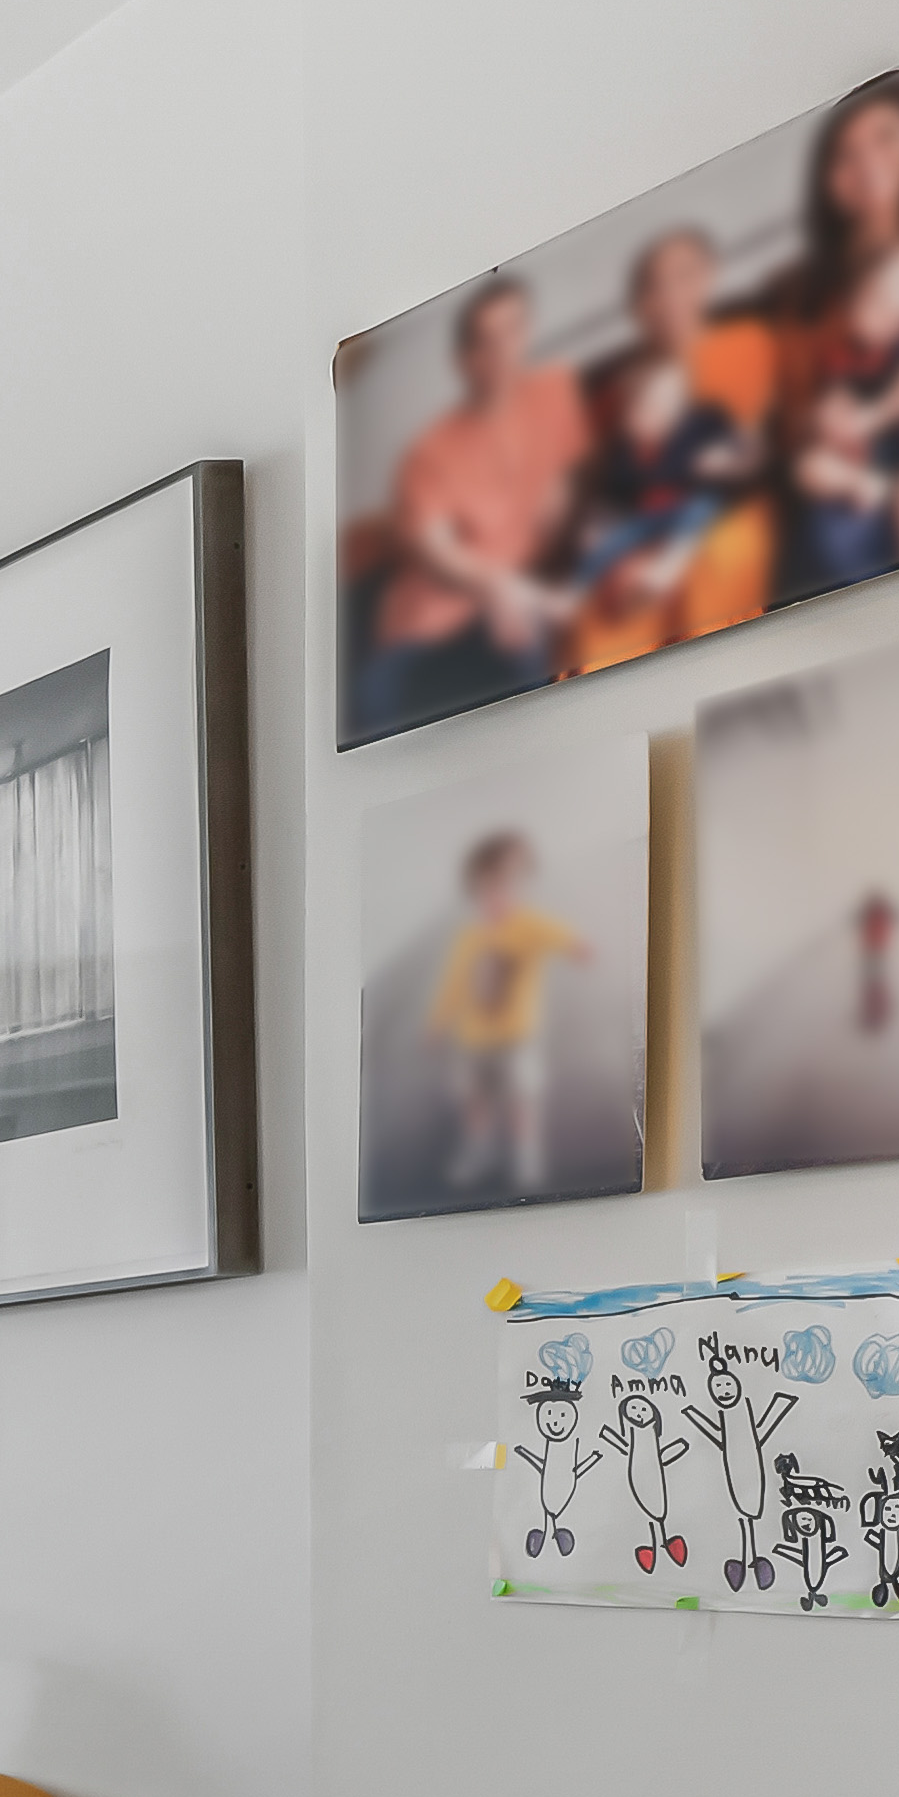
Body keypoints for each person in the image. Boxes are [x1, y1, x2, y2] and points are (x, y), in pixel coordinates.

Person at [357, 273, 586, 736]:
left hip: (519, 600)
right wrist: (501, 588)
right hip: (431, 628)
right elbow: (437, 551)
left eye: (513, 331)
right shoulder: (429, 453)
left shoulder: (553, 392)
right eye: (486, 341)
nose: (502, 352)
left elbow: (562, 490)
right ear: (464, 359)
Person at [561, 223, 781, 675]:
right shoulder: (615, 390)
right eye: (653, 286)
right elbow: (607, 483)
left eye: (683, 276)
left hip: (719, 509)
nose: (668, 296)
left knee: (717, 550)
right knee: (605, 591)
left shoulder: (748, 345)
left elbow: (755, 451)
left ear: (708, 278)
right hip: (640, 516)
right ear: (638, 306)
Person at [782, 74, 899, 590]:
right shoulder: (827, 300)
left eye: (885, 136)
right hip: (862, 447)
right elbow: (815, 396)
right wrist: (829, 416)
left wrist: (872, 415)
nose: (867, 164)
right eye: (846, 153)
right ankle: (867, 488)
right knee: (810, 469)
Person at [426, 826, 591, 1197]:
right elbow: (454, 983)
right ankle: (479, 1148)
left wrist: (577, 947)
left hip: (518, 1034)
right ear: (478, 892)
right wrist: (437, 1024)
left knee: (521, 1096)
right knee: (476, 1097)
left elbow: (559, 935)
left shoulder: (528, 923)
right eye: (489, 889)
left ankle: (525, 1153)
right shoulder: (470, 936)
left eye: (506, 887)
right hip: (475, 1037)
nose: (497, 896)